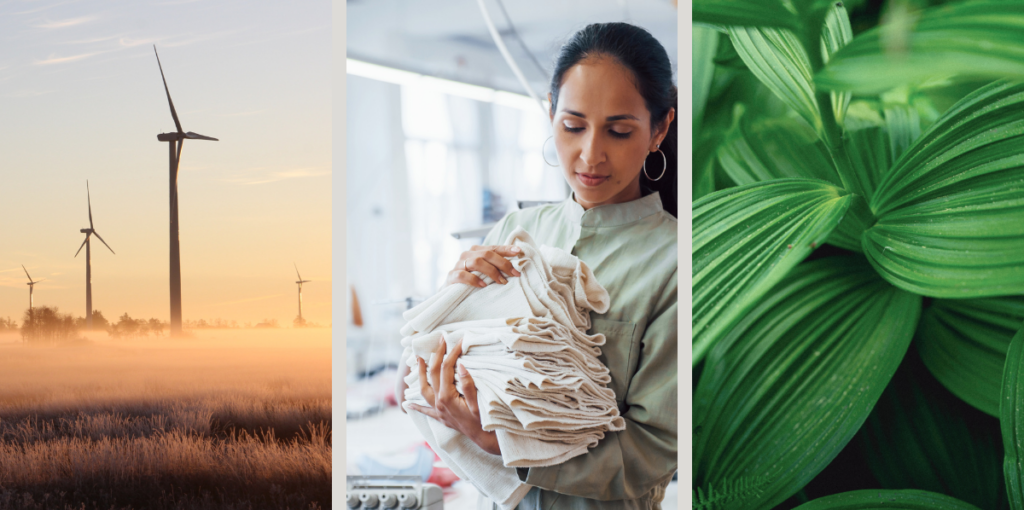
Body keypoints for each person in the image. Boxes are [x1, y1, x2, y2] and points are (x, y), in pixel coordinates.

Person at [400, 22, 678, 510]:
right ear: (550, 114)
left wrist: (509, 447)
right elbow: (453, 358)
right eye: (573, 126)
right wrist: (453, 302)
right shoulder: (512, 230)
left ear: (660, 128)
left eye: (618, 131)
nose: (590, 154)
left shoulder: (676, 262)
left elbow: (654, 450)